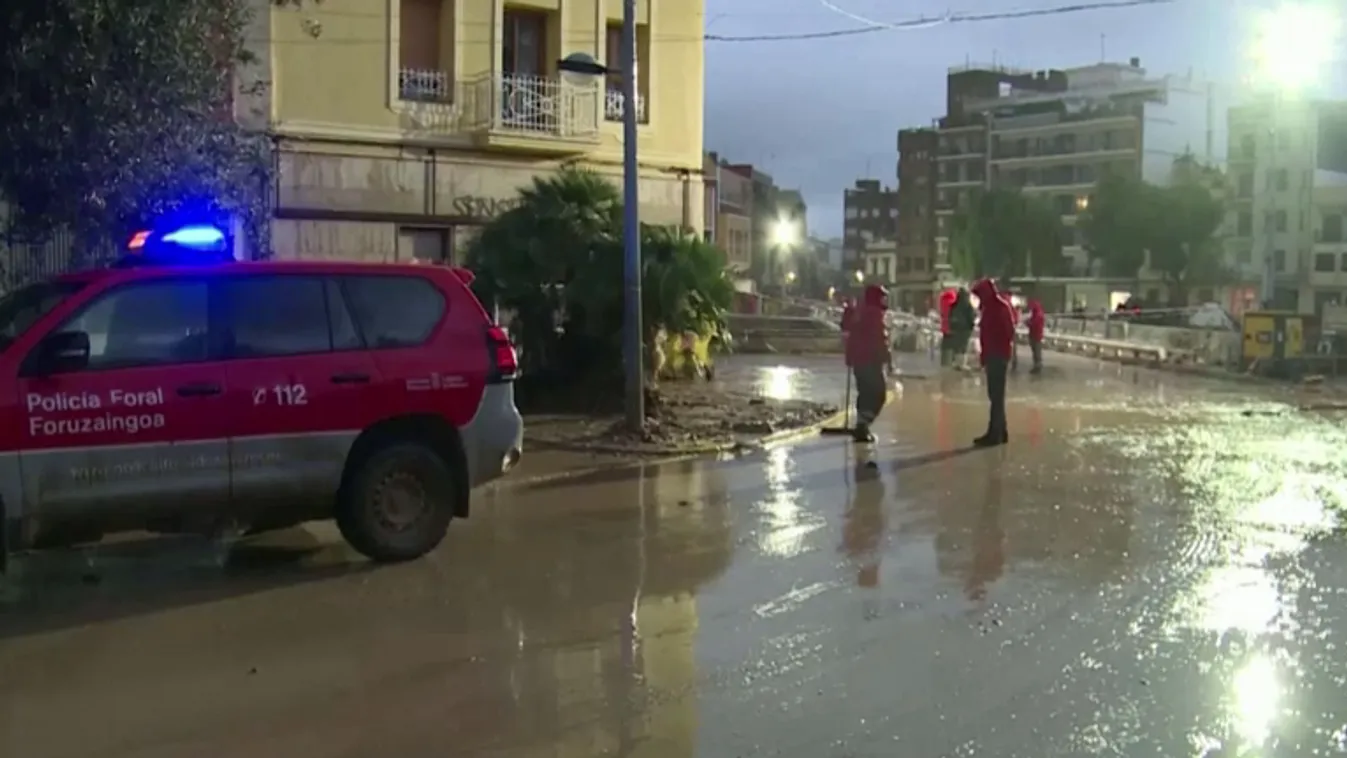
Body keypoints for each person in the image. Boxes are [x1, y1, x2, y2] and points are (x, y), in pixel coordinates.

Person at [970, 278, 1014, 447]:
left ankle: (995, 434)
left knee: (996, 396)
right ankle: (1000, 431)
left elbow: (1008, 332)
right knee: (996, 396)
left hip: (997, 356)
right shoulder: (994, 307)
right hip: (995, 355)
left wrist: (996, 349)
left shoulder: (997, 308)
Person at [844, 285, 891, 443]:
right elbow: (879, 339)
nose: (884, 301)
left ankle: (861, 426)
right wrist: (887, 358)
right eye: (882, 297)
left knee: (865, 393)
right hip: (870, 360)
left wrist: (849, 357)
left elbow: (850, 333)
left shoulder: (859, 312)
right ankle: (862, 426)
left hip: (859, 360)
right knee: (878, 394)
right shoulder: (874, 314)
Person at [947, 288, 976, 370]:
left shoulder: (954, 305)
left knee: (957, 345)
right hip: (965, 328)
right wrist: (972, 326)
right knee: (964, 346)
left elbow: (950, 316)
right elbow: (971, 317)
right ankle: (962, 364)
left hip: (956, 328)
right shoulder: (968, 306)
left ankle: (956, 363)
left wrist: (951, 326)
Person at [1026, 298, 1046, 374]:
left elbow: (1033, 324)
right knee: (1035, 351)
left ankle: (1038, 366)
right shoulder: (1036, 314)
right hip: (1035, 335)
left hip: (1036, 336)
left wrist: (1028, 323)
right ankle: (1037, 365)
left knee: (1037, 352)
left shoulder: (1038, 314)